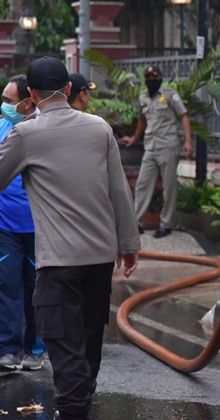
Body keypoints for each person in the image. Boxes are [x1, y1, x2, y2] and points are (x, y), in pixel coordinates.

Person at [0, 56, 140, 420]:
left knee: (65, 348)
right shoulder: (99, 128)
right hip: (99, 258)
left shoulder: (25, 134)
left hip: (58, 262)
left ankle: (74, 410)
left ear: (30, 94)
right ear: (67, 89)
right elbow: (118, 191)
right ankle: (79, 404)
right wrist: (129, 245)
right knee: (88, 342)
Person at [0, 75, 45, 372]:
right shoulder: (2, 126)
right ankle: (8, 349)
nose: (4, 106)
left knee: (38, 290)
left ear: (29, 101)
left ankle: (36, 349)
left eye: (9, 100)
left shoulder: (45, 129)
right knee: (7, 287)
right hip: (5, 226)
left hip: (41, 225)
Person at [122, 65, 194, 238]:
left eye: (154, 77)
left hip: (168, 145)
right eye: (148, 78)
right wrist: (134, 138)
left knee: (169, 186)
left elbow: (183, 115)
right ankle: (137, 222)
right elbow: (142, 119)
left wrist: (188, 142)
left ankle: (166, 223)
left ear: (160, 78)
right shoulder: (143, 96)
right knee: (142, 184)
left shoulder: (169, 94)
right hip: (150, 146)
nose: (151, 80)